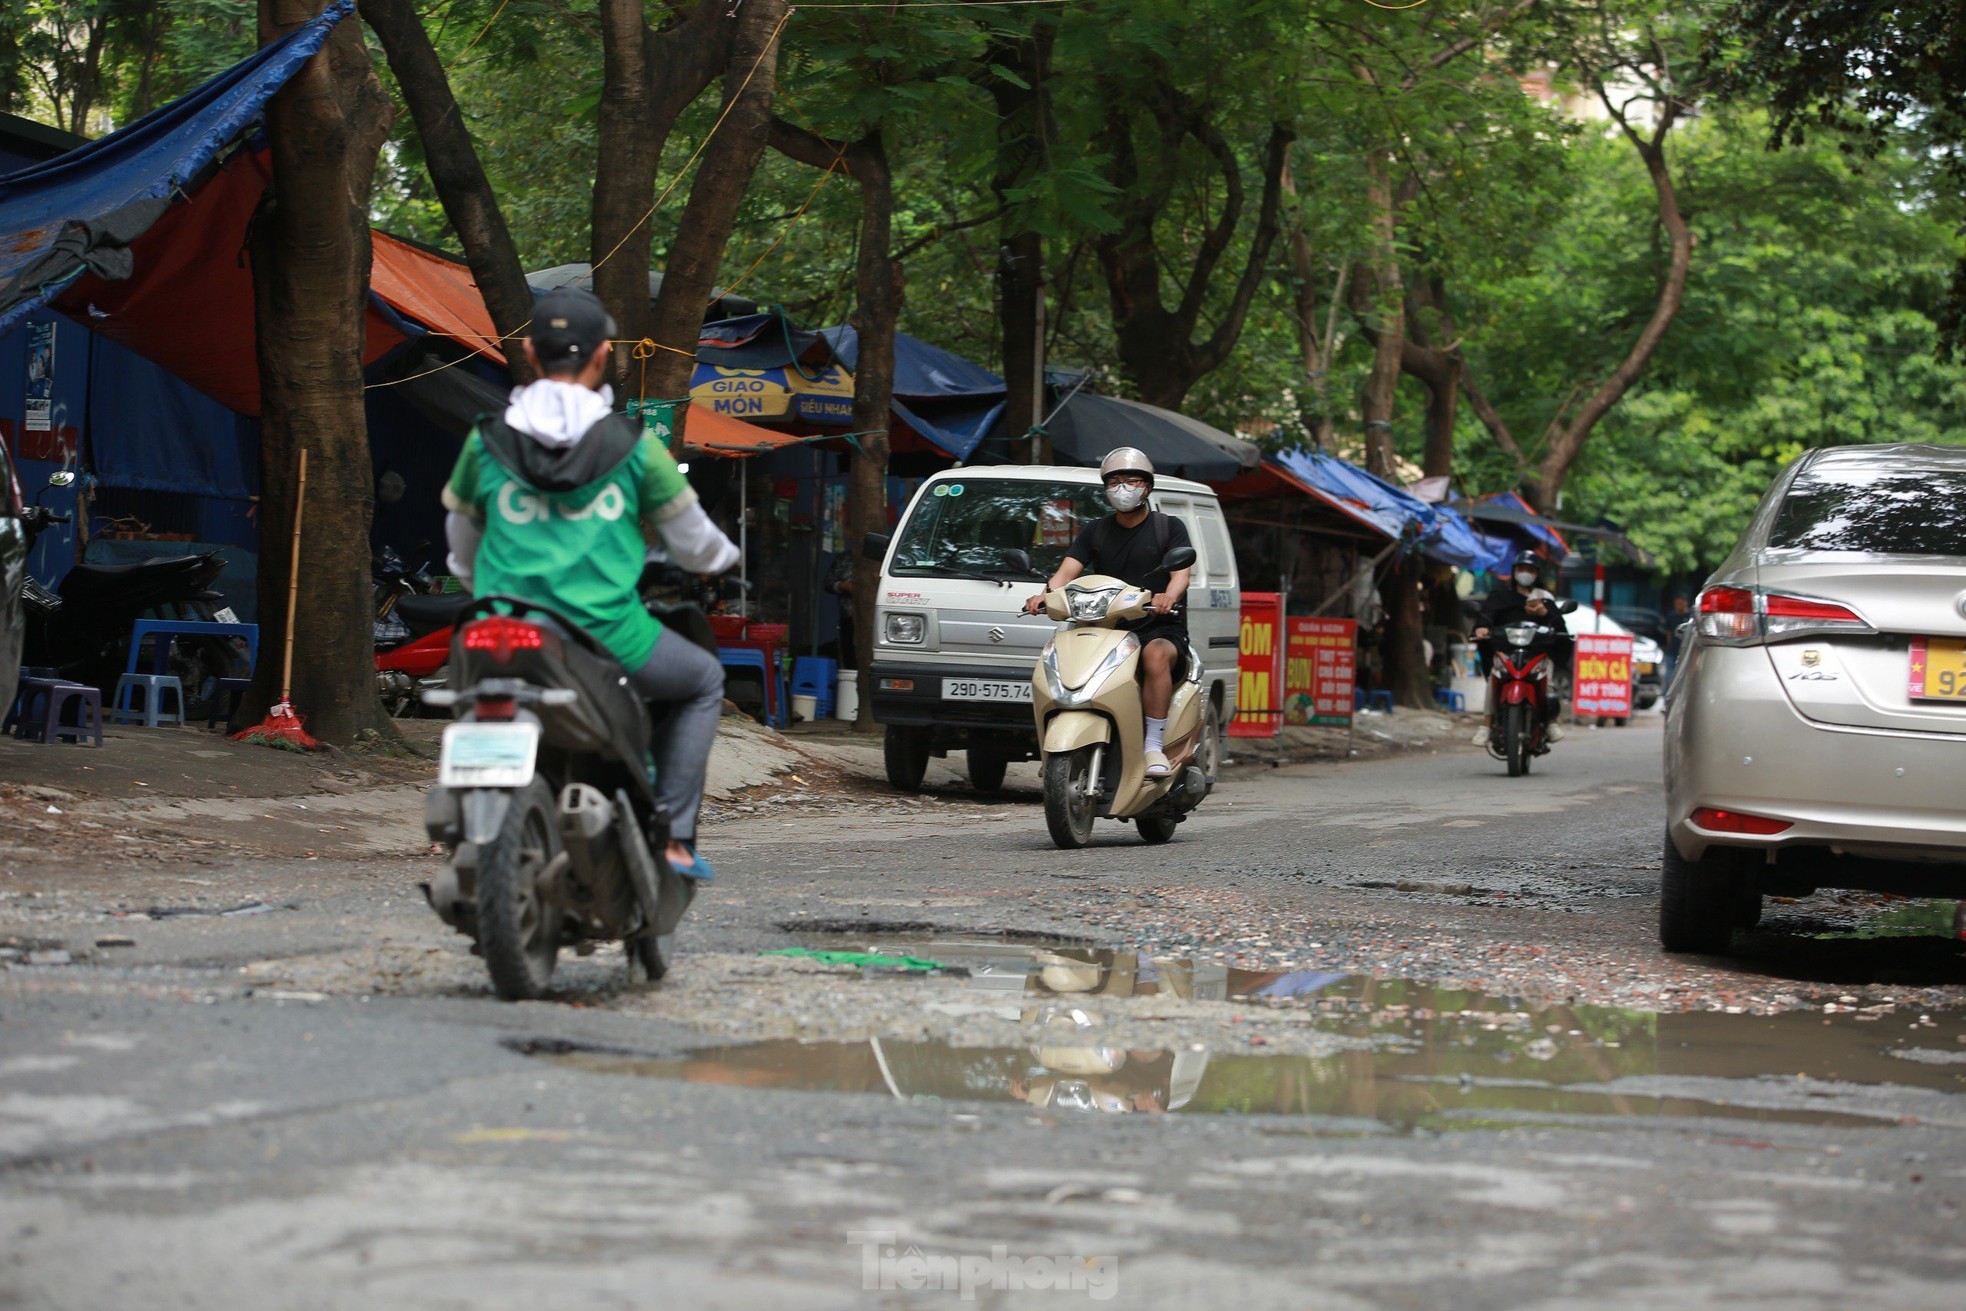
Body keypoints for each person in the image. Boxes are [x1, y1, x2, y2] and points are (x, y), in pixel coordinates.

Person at [442, 288, 740, 879]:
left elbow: (462, 542)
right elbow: (696, 544)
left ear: (529, 350)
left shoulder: (487, 439)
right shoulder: (633, 448)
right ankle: (675, 840)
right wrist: (721, 556)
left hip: (498, 628)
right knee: (704, 681)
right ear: (604, 354)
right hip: (605, 633)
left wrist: (485, 590)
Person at [1023, 448, 1194, 778]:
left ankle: (1152, 746)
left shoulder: (1168, 527)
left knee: (1156, 657)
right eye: (1114, 481)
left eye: (1131, 480)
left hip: (1157, 625)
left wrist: (1167, 596)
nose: (1123, 488)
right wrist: (1043, 596)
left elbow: (1181, 572)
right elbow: (1065, 573)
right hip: (1105, 626)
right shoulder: (1094, 531)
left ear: (1147, 487)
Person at [1470, 550, 1570, 747]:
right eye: (1521, 569)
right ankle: (1486, 725)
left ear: (1536, 573)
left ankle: (1550, 722)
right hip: (1506, 652)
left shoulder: (1544, 598)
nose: (1525, 573)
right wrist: (1481, 628)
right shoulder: (1500, 596)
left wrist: (1546, 612)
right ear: (1514, 571)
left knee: (1547, 681)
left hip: (1537, 653)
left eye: (1530, 569)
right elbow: (1486, 616)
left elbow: (1560, 627)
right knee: (1494, 679)